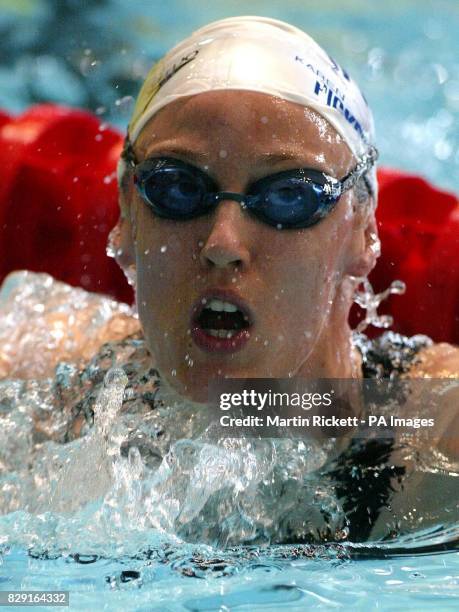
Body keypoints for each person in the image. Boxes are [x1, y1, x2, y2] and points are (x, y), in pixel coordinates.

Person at [1, 16, 458, 544]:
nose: (222, 245)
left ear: (361, 231)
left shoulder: (433, 439)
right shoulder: (47, 382)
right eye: (176, 189)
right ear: (125, 213)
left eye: (290, 197)